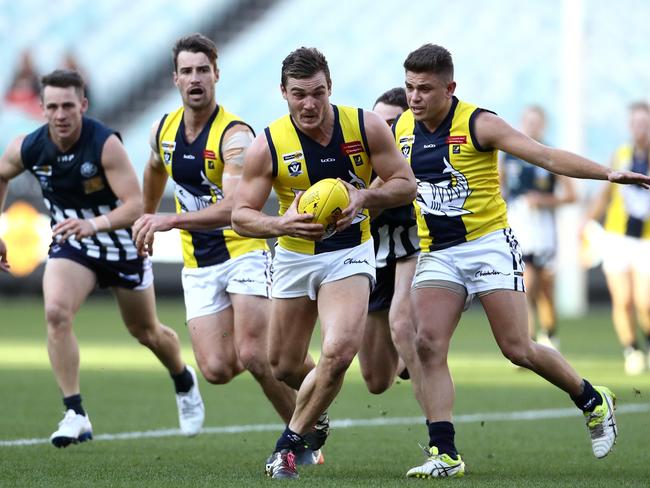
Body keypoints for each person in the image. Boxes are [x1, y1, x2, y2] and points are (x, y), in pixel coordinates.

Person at [395, 44, 650, 478]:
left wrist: (606, 173)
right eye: (409, 88)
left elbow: (546, 156)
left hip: (488, 245)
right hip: (438, 251)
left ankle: (591, 398)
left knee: (517, 349)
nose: (415, 97)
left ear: (450, 88)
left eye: (424, 89)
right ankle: (445, 453)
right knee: (426, 344)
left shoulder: (480, 123)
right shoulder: (402, 126)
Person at [231, 47, 417, 479]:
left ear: (330, 87)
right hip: (295, 256)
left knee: (338, 350)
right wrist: (281, 224)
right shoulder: (269, 144)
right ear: (283, 93)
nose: (309, 104)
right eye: (299, 94)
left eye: (317, 92)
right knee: (282, 364)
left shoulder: (364, 126)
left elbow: (406, 184)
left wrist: (365, 197)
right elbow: (241, 215)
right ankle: (319, 406)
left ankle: (289, 444)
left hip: (350, 252)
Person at [130, 33, 311, 461]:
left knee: (254, 354)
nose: (196, 78)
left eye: (203, 70)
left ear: (216, 74)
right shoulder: (164, 130)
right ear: (175, 78)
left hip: (242, 249)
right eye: (187, 71)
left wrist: (168, 219)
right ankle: (312, 376)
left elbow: (235, 208)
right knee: (216, 369)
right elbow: (156, 167)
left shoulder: (234, 137)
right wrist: (145, 215)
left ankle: (301, 437)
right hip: (199, 261)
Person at [0, 69, 204, 447]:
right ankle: (75, 412)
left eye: (68, 106)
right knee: (56, 313)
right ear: (42, 109)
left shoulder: (104, 144)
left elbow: (136, 205)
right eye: (52, 107)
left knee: (146, 332)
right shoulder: (29, 146)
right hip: (73, 245)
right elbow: (1, 174)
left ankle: (182, 377)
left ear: (83, 105)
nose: (61, 114)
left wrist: (92, 225)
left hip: (122, 246)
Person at [358, 87, 420, 393]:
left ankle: (439, 429)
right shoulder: (358, 158)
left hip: (418, 247)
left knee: (402, 321)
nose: (385, 131)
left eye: (393, 124)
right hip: (376, 254)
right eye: (379, 124)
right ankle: (408, 359)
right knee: (376, 380)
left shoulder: (417, 150)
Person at [500, 105, 577, 350]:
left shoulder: (551, 155)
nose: (532, 126)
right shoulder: (509, 154)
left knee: (543, 288)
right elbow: (499, 188)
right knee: (526, 281)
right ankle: (528, 339)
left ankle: (547, 333)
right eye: (528, 121)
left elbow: (572, 195)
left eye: (537, 122)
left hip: (543, 229)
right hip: (518, 225)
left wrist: (544, 200)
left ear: (543, 125)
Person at [583, 101, 650, 375]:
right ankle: (631, 349)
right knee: (622, 300)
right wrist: (585, 222)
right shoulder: (621, 155)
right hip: (616, 237)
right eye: (635, 123)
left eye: (644, 124)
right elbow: (605, 195)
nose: (640, 129)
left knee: (645, 301)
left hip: (646, 239)